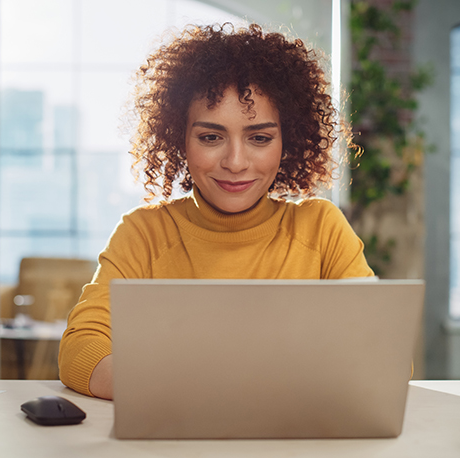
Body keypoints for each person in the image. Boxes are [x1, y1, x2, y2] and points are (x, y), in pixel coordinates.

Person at [58, 23, 374, 399]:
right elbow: (81, 348)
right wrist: (194, 391)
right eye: (211, 137)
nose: (236, 162)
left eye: (259, 138)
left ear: (287, 141)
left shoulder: (321, 229)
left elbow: (382, 356)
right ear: (180, 139)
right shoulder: (144, 233)